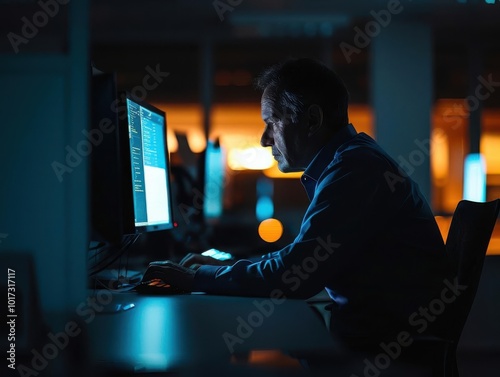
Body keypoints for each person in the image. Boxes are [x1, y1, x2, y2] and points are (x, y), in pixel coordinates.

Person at [143, 57, 449, 348]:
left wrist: (197, 277)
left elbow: (296, 274)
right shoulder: (353, 161)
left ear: (312, 120)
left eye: (272, 122)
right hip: (377, 337)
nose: (264, 139)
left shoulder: (356, 170)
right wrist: (225, 269)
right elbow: (300, 260)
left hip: (382, 350)